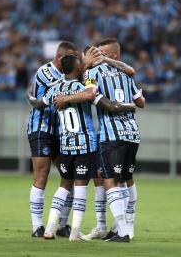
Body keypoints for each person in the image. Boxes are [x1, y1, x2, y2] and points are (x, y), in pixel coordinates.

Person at [28, 54, 136, 241]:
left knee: (63, 185)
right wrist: (128, 106)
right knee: (81, 188)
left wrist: (30, 96)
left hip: (66, 145)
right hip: (85, 145)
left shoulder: (55, 90)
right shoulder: (82, 87)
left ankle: (49, 229)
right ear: (78, 69)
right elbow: (107, 104)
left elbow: (39, 103)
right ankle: (75, 233)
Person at [56, 38, 146, 242]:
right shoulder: (125, 73)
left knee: (109, 181)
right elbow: (141, 101)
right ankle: (124, 227)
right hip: (132, 133)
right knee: (125, 180)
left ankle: (122, 231)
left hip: (112, 135)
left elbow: (90, 95)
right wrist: (128, 105)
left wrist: (65, 98)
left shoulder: (91, 74)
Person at [27, 41, 78, 238]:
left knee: (69, 175)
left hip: (62, 131)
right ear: (60, 58)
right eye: (73, 57)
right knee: (42, 174)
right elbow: (61, 90)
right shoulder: (45, 72)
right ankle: (37, 226)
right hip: (41, 129)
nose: (76, 61)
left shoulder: (68, 74)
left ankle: (63, 224)